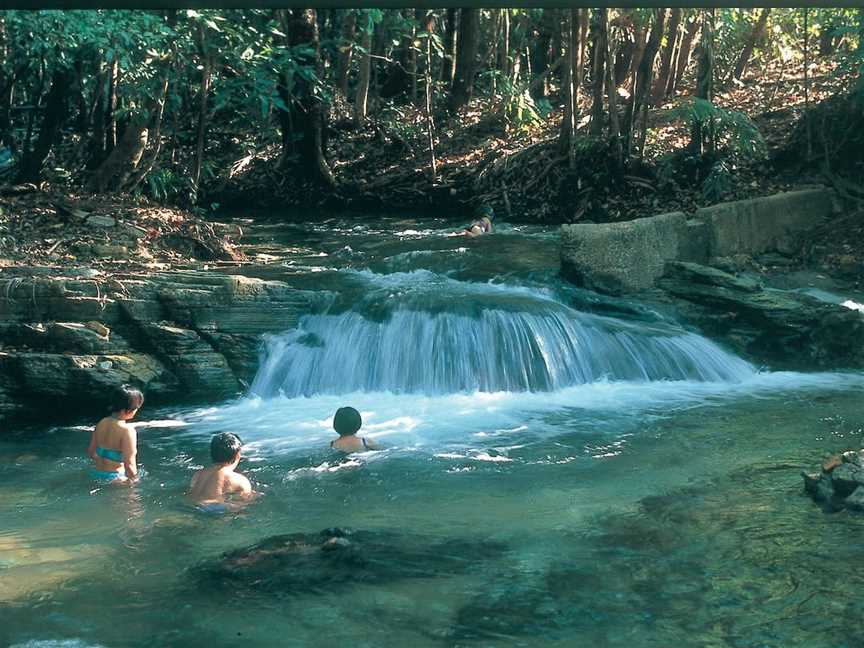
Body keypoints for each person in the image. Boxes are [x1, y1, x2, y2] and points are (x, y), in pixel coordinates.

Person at [87, 385, 144, 484]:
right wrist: (134, 487)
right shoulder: (127, 431)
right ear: (128, 409)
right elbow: (129, 465)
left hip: (96, 474)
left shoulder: (102, 422)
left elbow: (91, 452)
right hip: (116, 479)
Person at [188, 432, 255, 514]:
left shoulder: (199, 474)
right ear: (238, 455)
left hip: (191, 507)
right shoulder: (240, 480)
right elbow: (244, 501)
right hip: (214, 510)